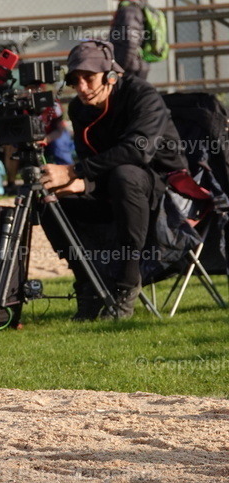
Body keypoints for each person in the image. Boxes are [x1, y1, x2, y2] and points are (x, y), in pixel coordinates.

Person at [40, 40, 186, 320]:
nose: (81, 87)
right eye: (74, 80)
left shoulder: (142, 94)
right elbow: (92, 166)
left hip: (165, 191)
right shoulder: (80, 110)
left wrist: (75, 172)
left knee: (125, 176)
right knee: (46, 197)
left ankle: (126, 285)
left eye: (88, 78)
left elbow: (137, 151)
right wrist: (77, 184)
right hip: (115, 187)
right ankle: (88, 285)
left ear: (110, 75)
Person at [109, 0, 150, 81]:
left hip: (130, 68)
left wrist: (120, 67)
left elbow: (130, 43)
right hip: (135, 65)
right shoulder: (133, 8)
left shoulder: (129, 11)